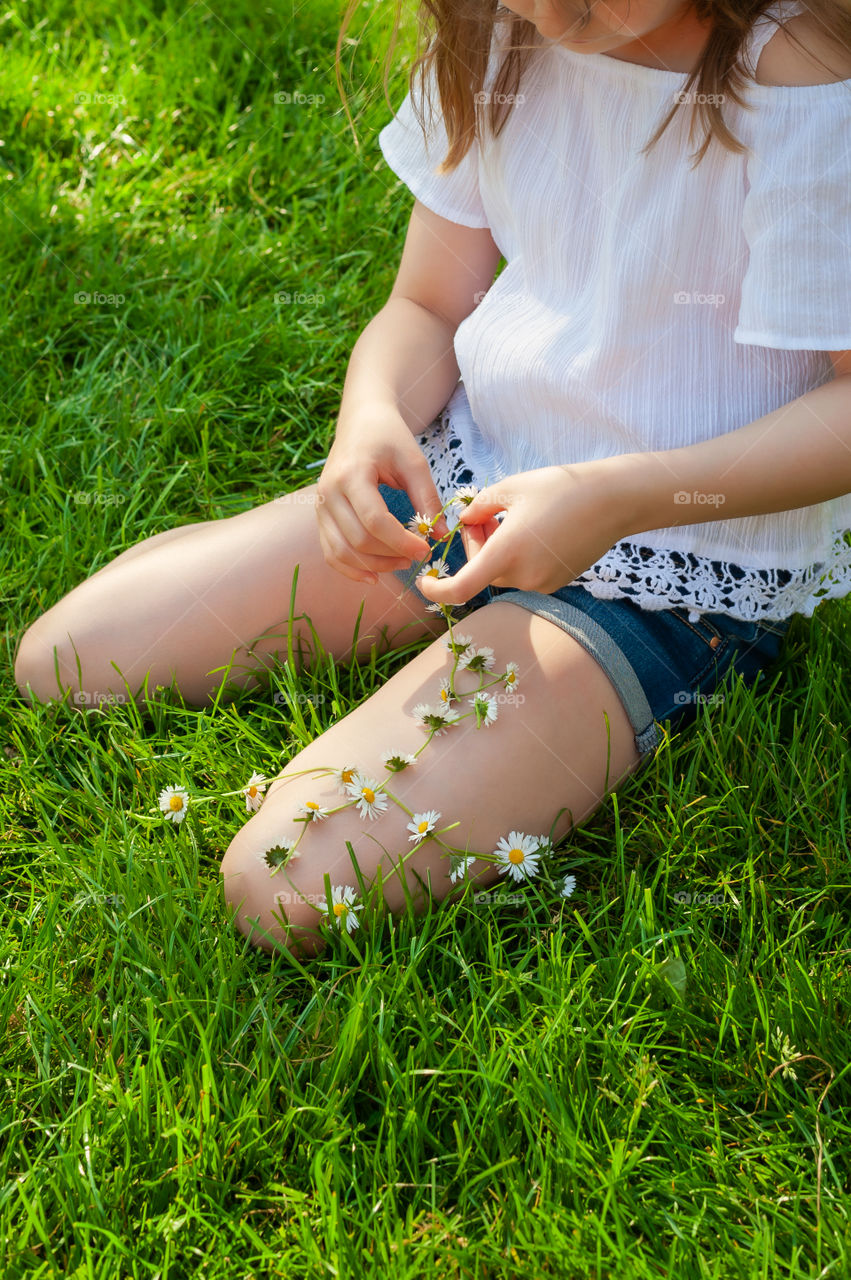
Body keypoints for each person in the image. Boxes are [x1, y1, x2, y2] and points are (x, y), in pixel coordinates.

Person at [14, 0, 851, 957]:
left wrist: (619, 496)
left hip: (674, 564)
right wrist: (368, 419)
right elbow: (427, 299)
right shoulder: (498, 28)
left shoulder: (797, 74)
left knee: (282, 884)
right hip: (466, 491)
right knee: (66, 662)